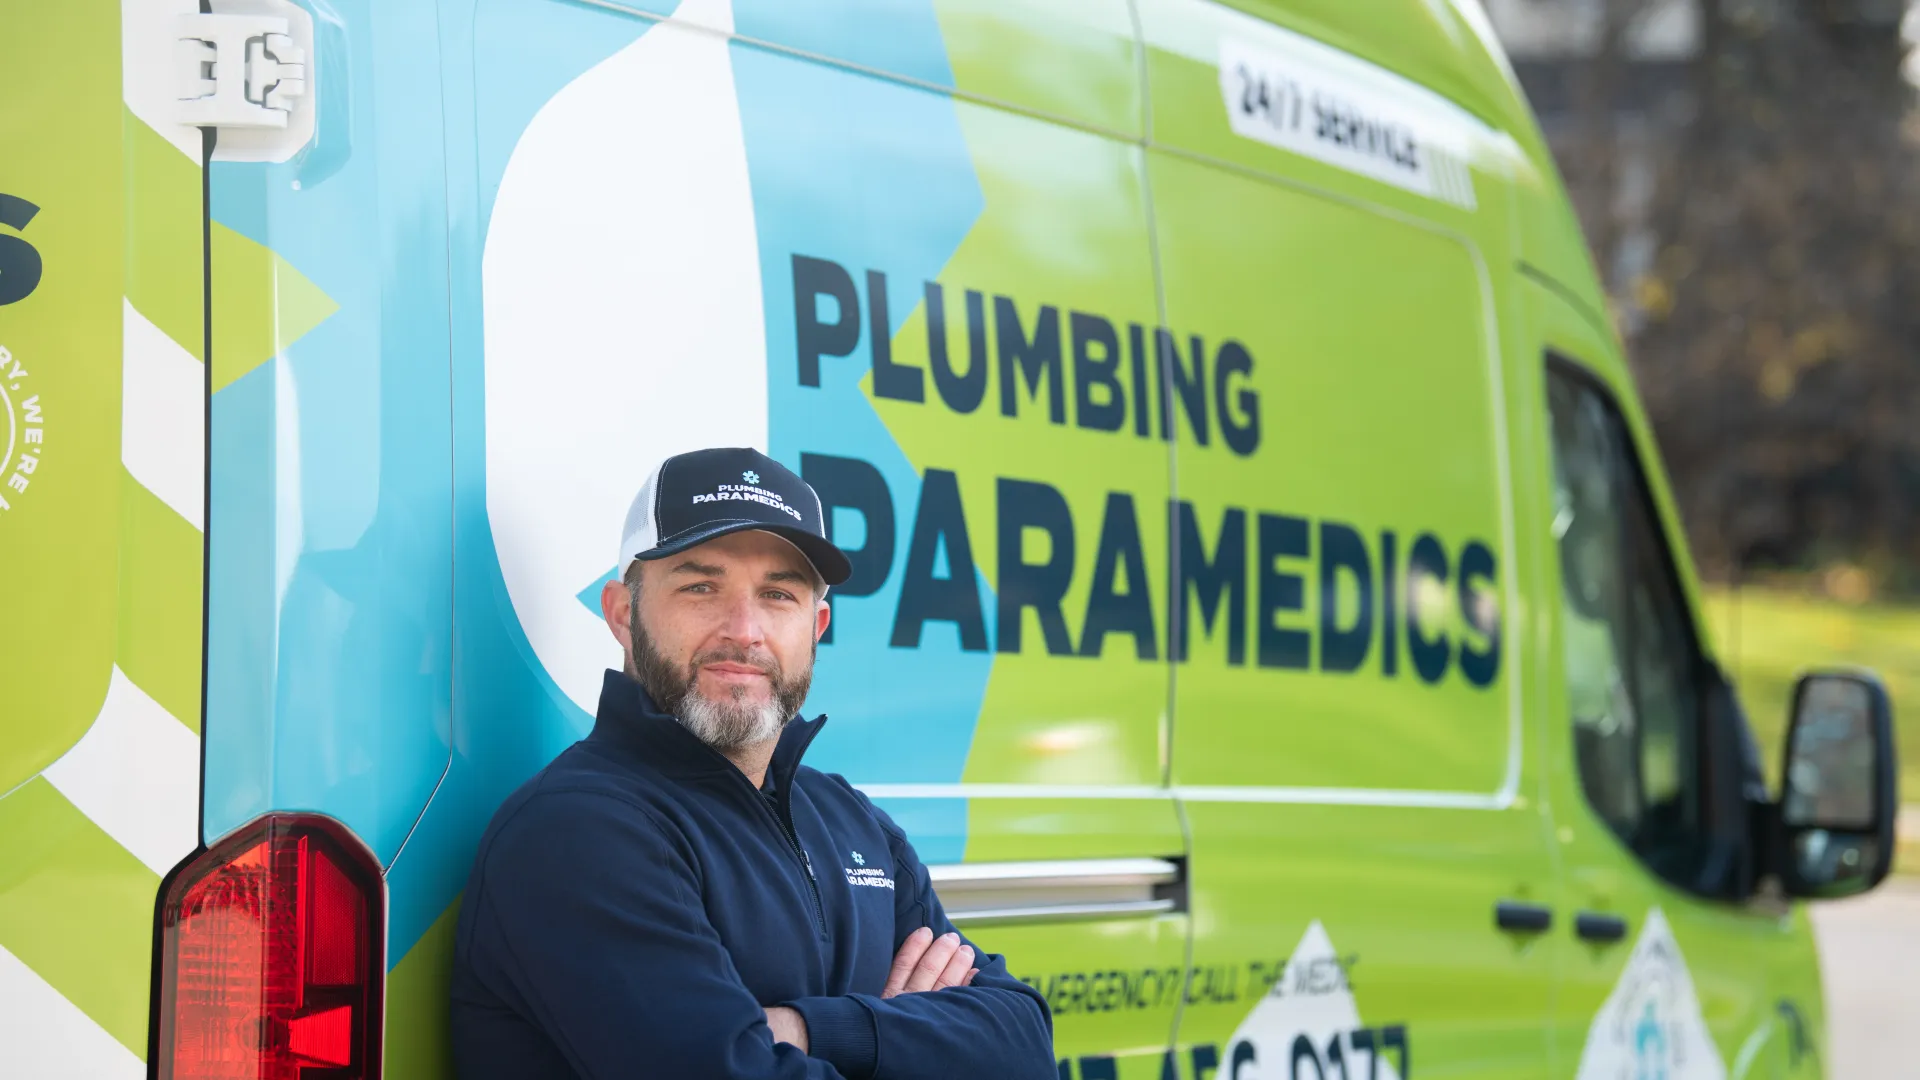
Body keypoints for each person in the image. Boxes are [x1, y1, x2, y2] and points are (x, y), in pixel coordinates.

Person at [449, 447, 1056, 1079]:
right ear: (623, 614)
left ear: (815, 625)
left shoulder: (853, 824)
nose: (744, 629)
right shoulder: (580, 833)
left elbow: (1024, 1047)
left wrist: (802, 1029)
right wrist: (910, 1039)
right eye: (701, 586)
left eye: (777, 594)